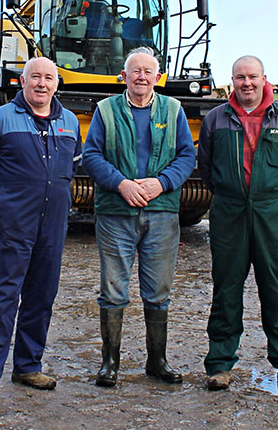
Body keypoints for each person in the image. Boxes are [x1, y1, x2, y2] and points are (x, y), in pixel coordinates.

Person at [0, 56, 81, 402]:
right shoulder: (1, 119)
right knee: (2, 296)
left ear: (56, 84)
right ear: (23, 82)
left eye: (48, 78)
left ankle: (28, 365)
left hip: (53, 224)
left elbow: (73, 168)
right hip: (13, 224)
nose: (42, 84)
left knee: (41, 295)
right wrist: (2, 199)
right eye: (35, 78)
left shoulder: (71, 122)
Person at [197, 55, 278, 391]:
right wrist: (230, 195)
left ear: (264, 78)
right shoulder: (216, 119)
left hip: (272, 216)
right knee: (226, 291)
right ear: (231, 81)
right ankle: (220, 365)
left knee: (276, 291)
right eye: (239, 78)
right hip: (229, 215)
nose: (246, 83)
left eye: (252, 77)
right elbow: (206, 167)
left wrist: (277, 202)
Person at [82, 47, 195, 387]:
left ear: (158, 77)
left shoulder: (173, 110)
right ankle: (110, 364)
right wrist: (121, 185)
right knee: (114, 289)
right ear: (124, 76)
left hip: (161, 213)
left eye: (148, 71)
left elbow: (187, 156)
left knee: (158, 291)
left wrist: (162, 183)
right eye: (135, 71)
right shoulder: (106, 110)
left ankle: (157, 362)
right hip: (116, 213)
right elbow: (91, 155)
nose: (142, 76)